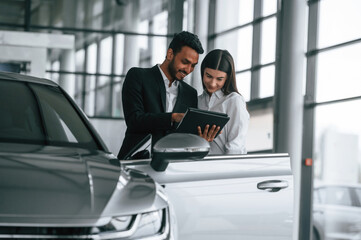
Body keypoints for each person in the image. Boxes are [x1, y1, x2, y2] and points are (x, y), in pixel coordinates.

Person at [118, 31, 204, 159]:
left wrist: (200, 137)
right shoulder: (138, 76)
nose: (188, 70)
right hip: (135, 161)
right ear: (170, 54)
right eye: (185, 62)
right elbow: (134, 120)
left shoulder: (190, 93)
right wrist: (172, 118)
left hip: (172, 167)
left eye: (193, 66)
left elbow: (186, 137)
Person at [197, 49, 249, 154]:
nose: (212, 83)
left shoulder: (234, 101)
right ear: (203, 71)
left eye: (219, 79)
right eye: (208, 76)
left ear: (227, 78)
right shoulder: (197, 101)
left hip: (225, 167)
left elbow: (235, 146)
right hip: (198, 166)